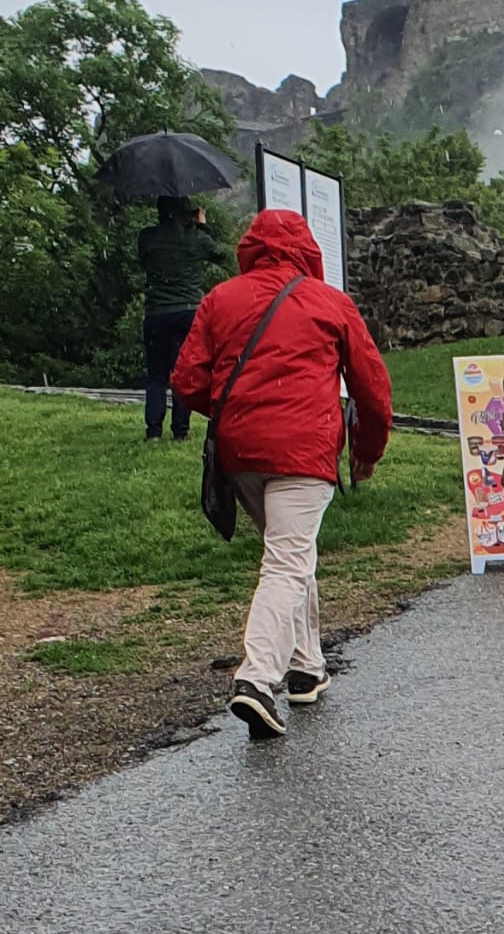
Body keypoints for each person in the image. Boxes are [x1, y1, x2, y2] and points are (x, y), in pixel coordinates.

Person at [171, 209, 392, 741]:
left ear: (249, 249)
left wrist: (234, 414)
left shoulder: (220, 299)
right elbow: (373, 391)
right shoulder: (329, 303)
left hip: (240, 452)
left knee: (290, 554)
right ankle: (256, 680)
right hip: (304, 450)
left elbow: (185, 379)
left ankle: (306, 667)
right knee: (287, 562)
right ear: (308, 250)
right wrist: (367, 450)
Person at [136, 196, 222, 441]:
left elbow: (143, 260)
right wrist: (201, 225)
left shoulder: (147, 237)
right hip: (188, 311)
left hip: (156, 311)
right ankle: (180, 431)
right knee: (182, 372)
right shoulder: (196, 239)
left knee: (156, 375)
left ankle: (153, 431)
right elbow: (219, 253)